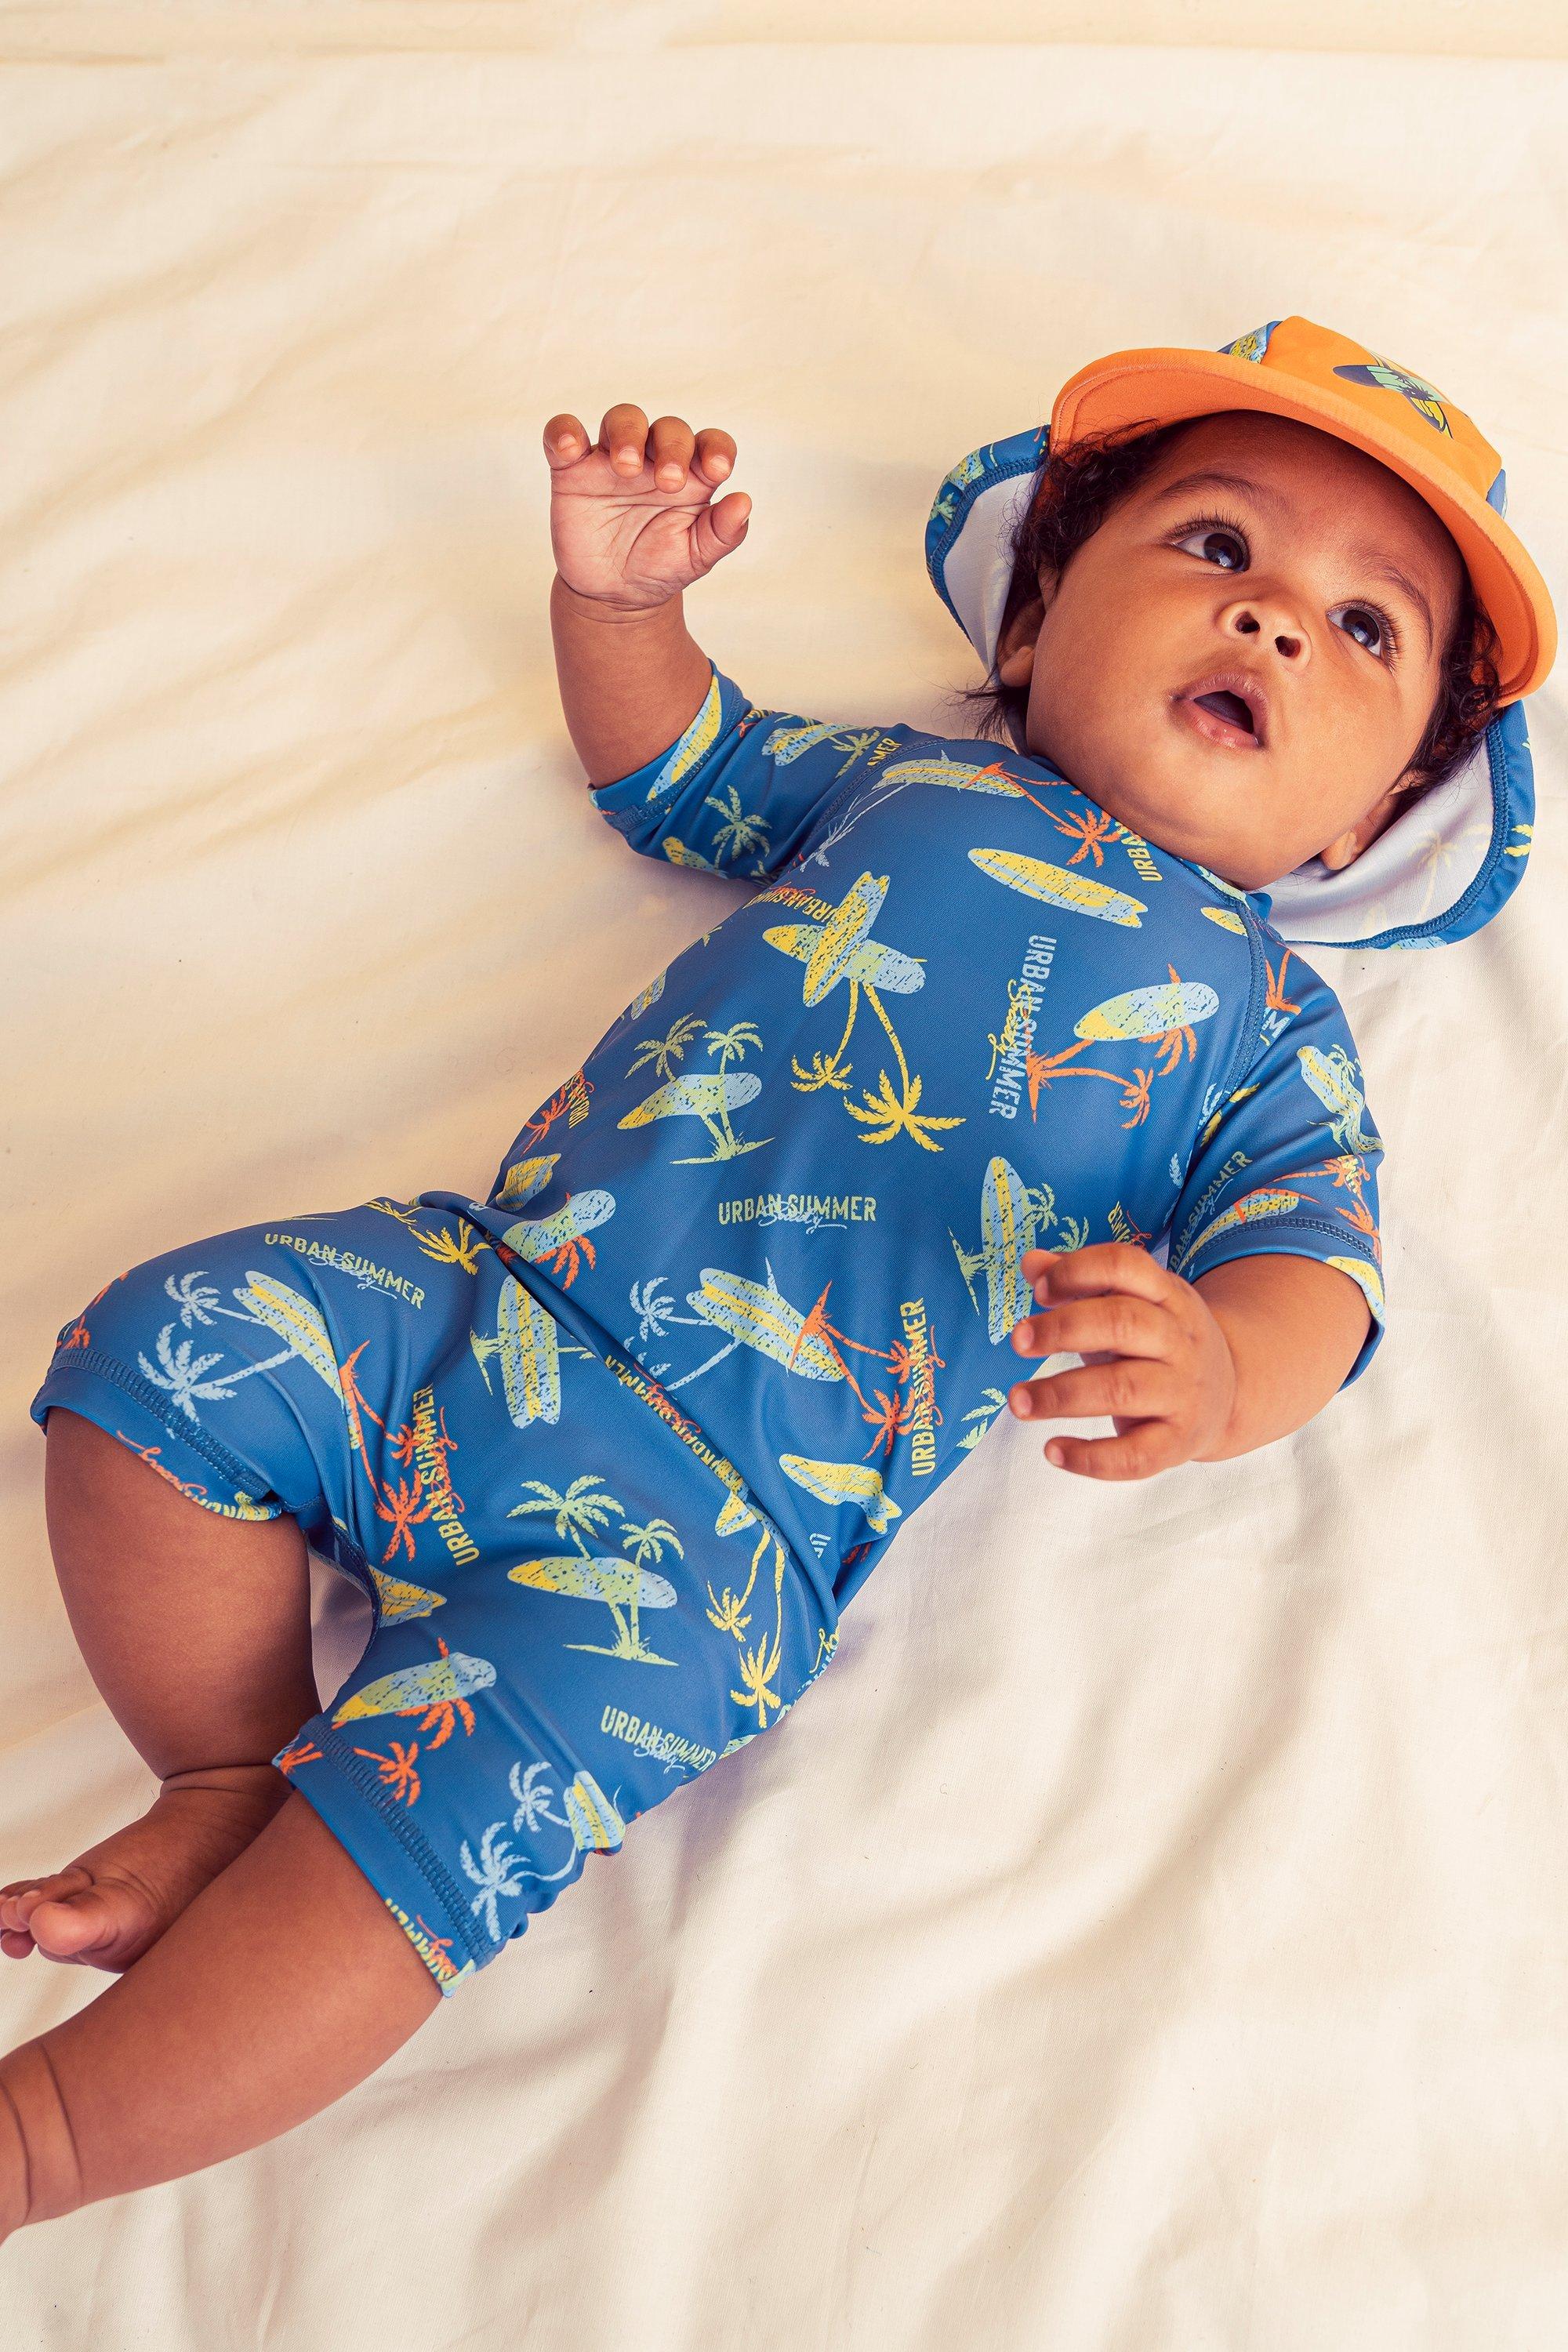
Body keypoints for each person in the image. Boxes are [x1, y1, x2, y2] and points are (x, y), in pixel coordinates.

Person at [1, 315, 1554, 2238]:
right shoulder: (900, 789)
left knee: (421, 1848)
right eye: (1217, 548)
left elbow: (1319, 1264)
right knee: (157, 1353)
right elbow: (675, 766)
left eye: (1364, 630)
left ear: (1363, 823)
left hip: (700, 1548)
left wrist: (1224, 1371)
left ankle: (46, 2140)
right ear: (1039, 619)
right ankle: (223, 1774)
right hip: (483, 1300)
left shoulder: (1264, 1031)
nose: (1272, 623)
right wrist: (615, 606)